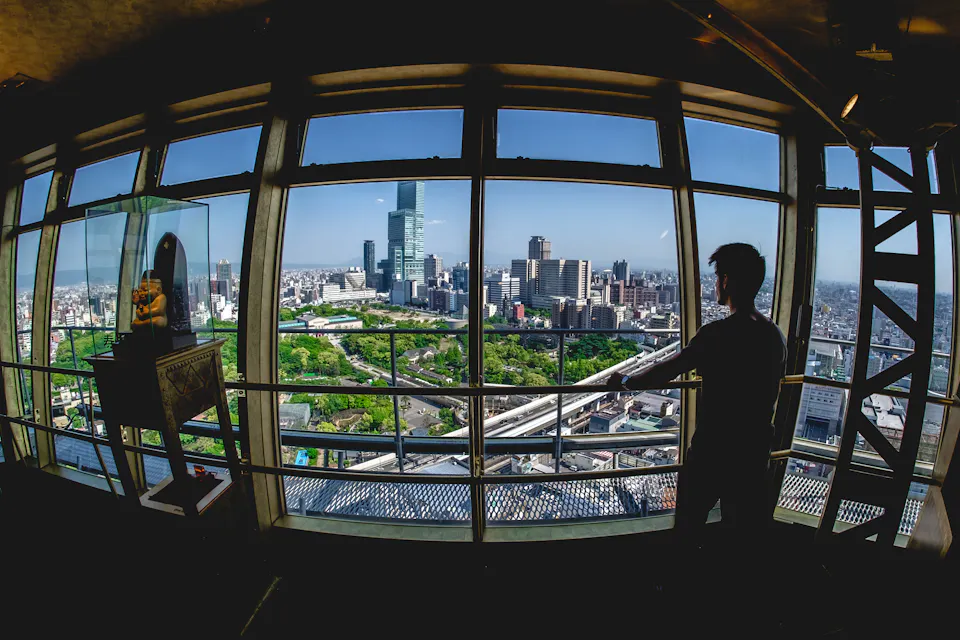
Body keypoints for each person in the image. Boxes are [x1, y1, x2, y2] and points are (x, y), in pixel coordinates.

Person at [607, 243, 785, 546]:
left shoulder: (717, 334)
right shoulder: (774, 335)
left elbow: (669, 369)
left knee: (689, 523)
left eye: (717, 277)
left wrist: (625, 380)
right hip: (754, 450)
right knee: (740, 529)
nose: (715, 284)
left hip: (714, 448)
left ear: (726, 280)